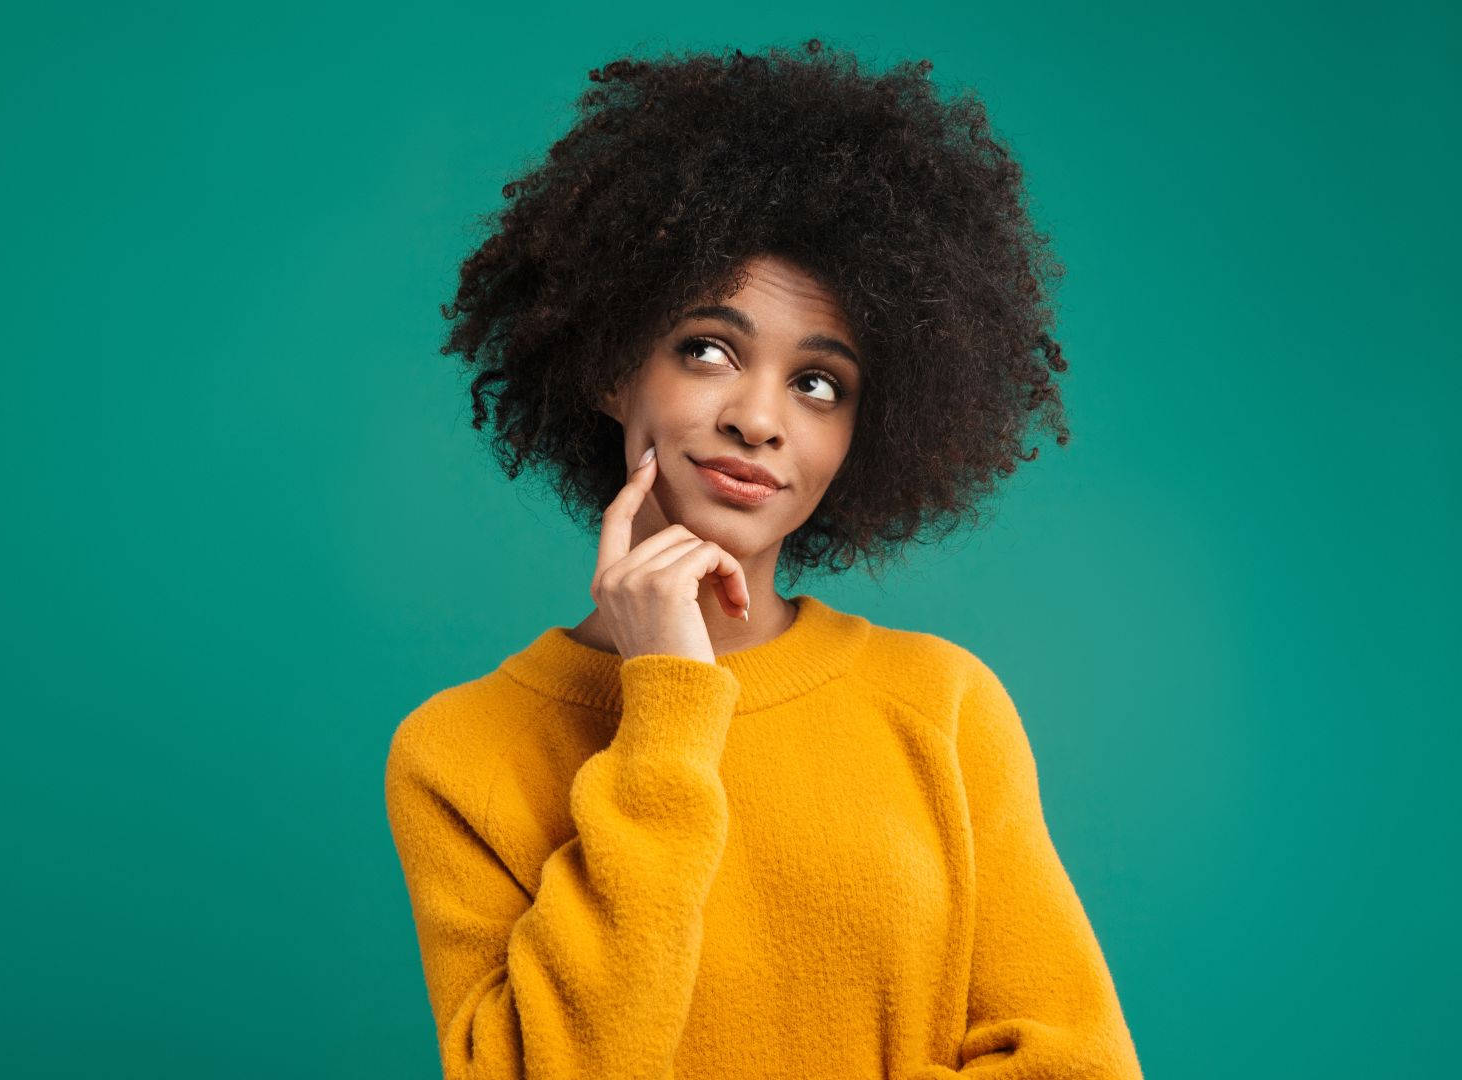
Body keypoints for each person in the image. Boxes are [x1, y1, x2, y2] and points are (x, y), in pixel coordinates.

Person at [384, 38, 1145, 1080]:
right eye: (708, 349)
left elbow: (1081, 1067)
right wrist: (667, 709)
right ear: (613, 367)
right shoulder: (461, 754)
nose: (758, 420)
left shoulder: (942, 707)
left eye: (819, 384)